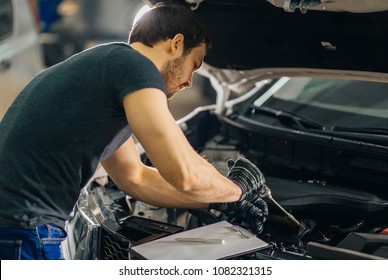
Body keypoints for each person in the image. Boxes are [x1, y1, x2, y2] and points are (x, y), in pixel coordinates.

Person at [0, 3, 267, 260]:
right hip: (25, 225)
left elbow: (135, 177)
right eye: (194, 65)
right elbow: (184, 173)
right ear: (176, 44)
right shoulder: (137, 68)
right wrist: (237, 192)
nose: (189, 81)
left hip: (14, 222)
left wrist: (215, 201)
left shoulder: (110, 65)